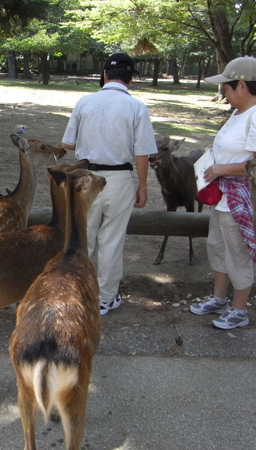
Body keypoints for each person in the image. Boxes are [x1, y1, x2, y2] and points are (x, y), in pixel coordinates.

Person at [61, 53, 157, 315]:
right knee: (112, 240)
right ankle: (105, 298)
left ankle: (77, 291)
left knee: (83, 238)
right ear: (132, 79)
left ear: (104, 75)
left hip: (86, 179)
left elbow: (68, 143)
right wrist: (143, 186)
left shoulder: (85, 102)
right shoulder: (136, 107)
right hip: (119, 179)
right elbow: (142, 152)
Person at [189, 56, 256, 329]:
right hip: (223, 195)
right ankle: (218, 297)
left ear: (241, 85)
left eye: (225, 89)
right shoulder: (240, 112)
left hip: (241, 198)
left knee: (237, 253)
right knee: (217, 246)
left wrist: (221, 168)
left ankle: (239, 309)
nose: (223, 95)